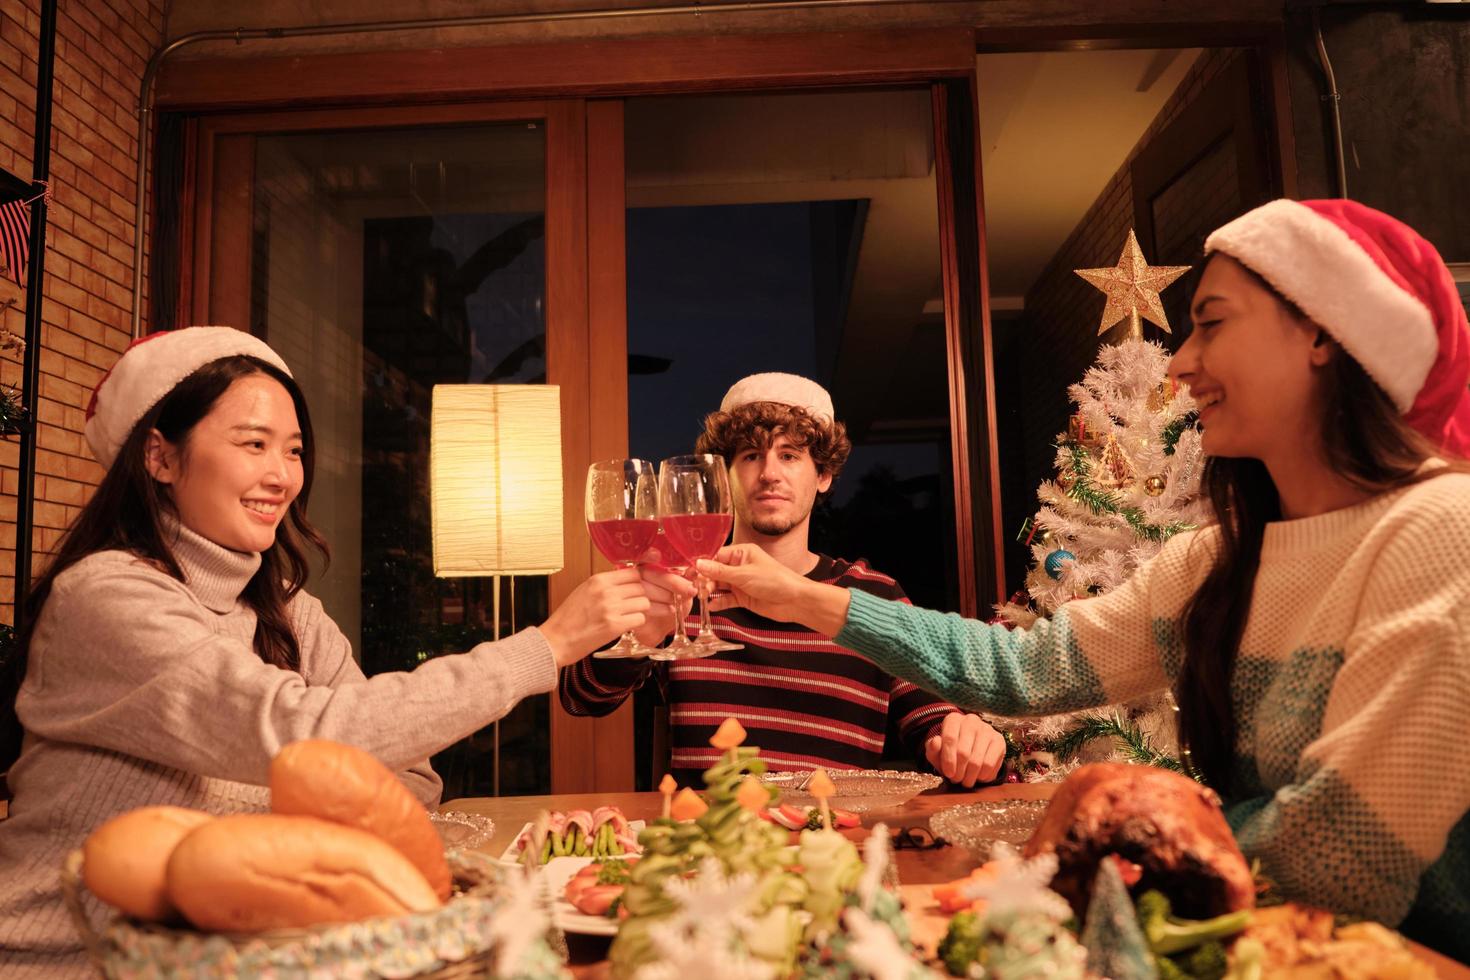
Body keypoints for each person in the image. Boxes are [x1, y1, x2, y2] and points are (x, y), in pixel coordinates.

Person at [698, 200, 1470, 961]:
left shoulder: (1442, 530)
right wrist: (799, 597)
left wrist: (1064, 865)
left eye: (1213, 321)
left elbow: (1338, 857)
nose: (1180, 362)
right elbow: (1025, 670)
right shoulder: (1215, 562)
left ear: (1321, 334)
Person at [0, 327, 651, 976]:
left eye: (294, 450)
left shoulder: (284, 609)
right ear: (160, 457)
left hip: (262, 959)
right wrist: (546, 646)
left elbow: (409, 781)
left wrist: (290, 800)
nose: (282, 476)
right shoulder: (106, 597)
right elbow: (305, 734)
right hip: (70, 957)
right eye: (253, 444)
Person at [560, 372, 1007, 787]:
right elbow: (582, 697)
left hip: (835, 846)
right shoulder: (682, 584)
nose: (769, 473)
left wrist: (962, 736)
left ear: (825, 475)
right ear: (725, 476)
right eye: (751, 456)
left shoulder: (872, 593)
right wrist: (635, 639)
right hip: (710, 850)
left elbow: (931, 721)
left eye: (790, 455)